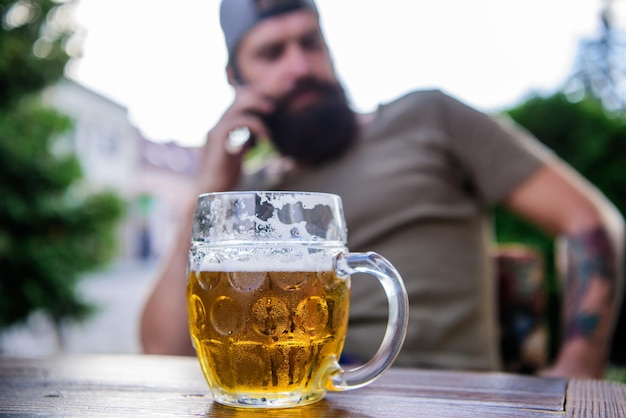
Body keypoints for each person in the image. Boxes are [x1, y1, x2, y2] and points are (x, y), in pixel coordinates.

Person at [140, 0, 624, 378]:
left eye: (311, 42)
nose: (300, 66)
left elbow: (588, 220)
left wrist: (580, 365)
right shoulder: (245, 197)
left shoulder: (428, 118)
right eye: (271, 53)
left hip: (443, 396)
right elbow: (163, 350)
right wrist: (208, 191)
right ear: (236, 80)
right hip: (297, 396)